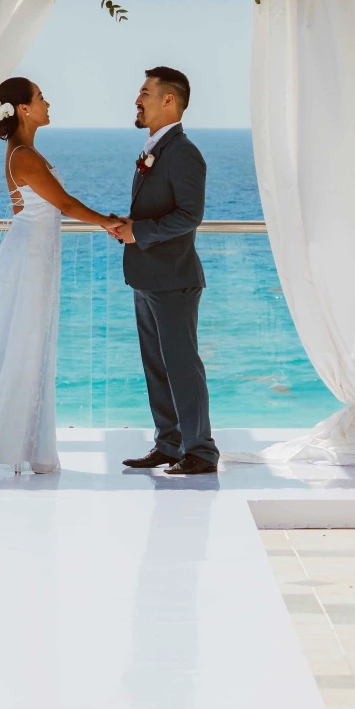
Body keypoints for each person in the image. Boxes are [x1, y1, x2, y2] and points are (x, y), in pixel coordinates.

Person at [0, 76, 112, 474]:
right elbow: (66, 204)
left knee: (31, 346)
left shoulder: (24, 150)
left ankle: (27, 444)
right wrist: (110, 222)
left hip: (36, 256)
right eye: (40, 98)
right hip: (28, 260)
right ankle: (16, 446)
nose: (47, 103)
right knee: (23, 345)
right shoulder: (24, 155)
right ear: (22, 109)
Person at [108, 67, 216, 475]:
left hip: (174, 279)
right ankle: (169, 443)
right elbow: (158, 211)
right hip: (148, 277)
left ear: (168, 100)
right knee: (157, 365)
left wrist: (140, 233)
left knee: (182, 366)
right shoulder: (157, 149)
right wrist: (129, 227)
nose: (137, 99)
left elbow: (191, 216)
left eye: (144, 92)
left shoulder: (184, 152)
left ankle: (202, 451)